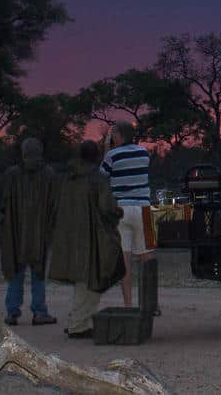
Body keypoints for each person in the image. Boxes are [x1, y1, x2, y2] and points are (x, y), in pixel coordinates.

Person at [48, 139, 125, 339]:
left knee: (82, 281)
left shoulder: (66, 178)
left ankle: (77, 321)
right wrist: (118, 212)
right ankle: (77, 325)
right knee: (94, 279)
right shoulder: (97, 179)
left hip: (68, 235)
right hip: (93, 237)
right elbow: (107, 207)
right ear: (96, 156)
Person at [0, 137, 59, 326]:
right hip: (39, 234)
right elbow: (56, 204)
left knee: (15, 272)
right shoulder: (49, 174)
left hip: (15, 233)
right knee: (38, 274)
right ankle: (39, 312)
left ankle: (12, 312)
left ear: (23, 153)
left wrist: (8, 215)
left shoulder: (11, 174)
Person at [101, 121, 154, 308]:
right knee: (147, 259)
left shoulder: (112, 155)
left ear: (119, 135)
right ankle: (151, 303)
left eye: (113, 134)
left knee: (124, 262)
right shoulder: (143, 153)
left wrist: (106, 150)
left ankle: (129, 305)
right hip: (144, 209)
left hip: (121, 210)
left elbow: (101, 178)